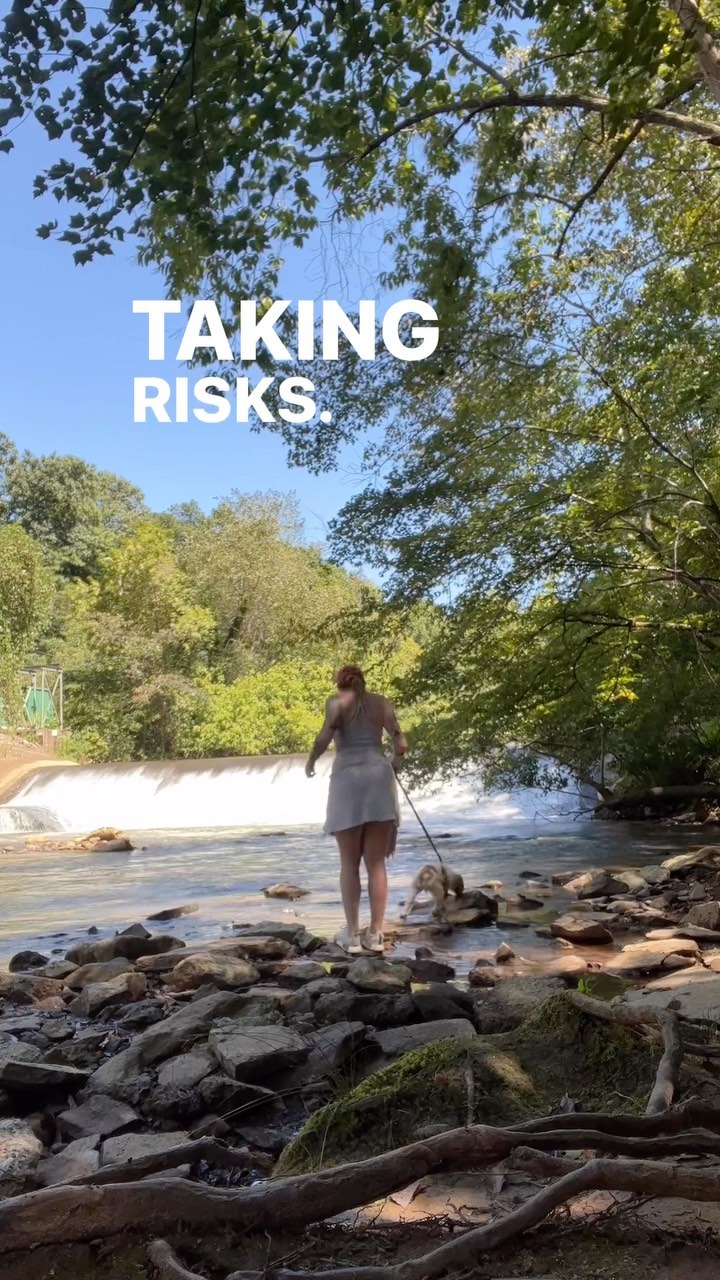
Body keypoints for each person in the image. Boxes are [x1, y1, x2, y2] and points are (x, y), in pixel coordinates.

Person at [305, 664, 408, 954]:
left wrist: (311, 761)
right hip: (379, 778)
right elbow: (401, 744)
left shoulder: (336, 703)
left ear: (340, 684)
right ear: (363, 681)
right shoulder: (382, 704)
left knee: (349, 864)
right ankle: (375, 934)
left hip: (348, 779)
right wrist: (393, 765)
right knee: (376, 864)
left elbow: (324, 737)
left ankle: (351, 934)